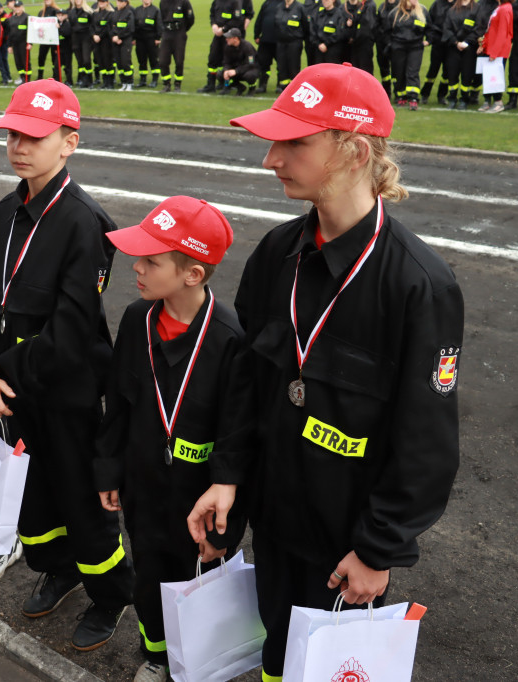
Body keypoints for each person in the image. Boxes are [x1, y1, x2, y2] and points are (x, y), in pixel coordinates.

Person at [194, 62, 462, 682]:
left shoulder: (419, 286)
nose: (270, 159)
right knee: (275, 656)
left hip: (346, 549)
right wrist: (228, 477)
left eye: (293, 142)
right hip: (274, 523)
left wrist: (377, 550)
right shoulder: (276, 253)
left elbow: (426, 445)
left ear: (355, 150)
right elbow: (245, 382)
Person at [0, 79, 133, 648]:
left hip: (65, 393)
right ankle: (58, 570)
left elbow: (71, 329)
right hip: (11, 388)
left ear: (69, 142)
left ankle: (110, 596)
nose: (18, 146)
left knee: (82, 498)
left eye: (35, 135)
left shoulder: (86, 222)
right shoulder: (5, 212)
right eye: (12, 134)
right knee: (33, 498)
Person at [95, 196, 246, 682]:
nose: (135, 268)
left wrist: (227, 529)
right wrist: (109, 467)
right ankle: (157, 653)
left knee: (196, 582)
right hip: (142, 486)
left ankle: (196, 661)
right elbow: (117, 403)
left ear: (193, 274)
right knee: (149, 579)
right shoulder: (137, 320)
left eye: (151, 261)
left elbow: (238, 437)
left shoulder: (228, 339)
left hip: (197, 500)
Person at [387, 0, 433, 109]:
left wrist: (429, 40)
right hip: (398, 47)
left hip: (415, 47)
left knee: (413, 72)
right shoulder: (394, 13)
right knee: (399, 72)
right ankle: (401, 96)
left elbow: (430, 28)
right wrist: (391, 44)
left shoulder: (422, 11)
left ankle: (413, 98)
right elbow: (387, 31)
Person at [199, 0, 250, 92]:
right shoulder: (217, 1)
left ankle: (226, 85)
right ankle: (211, 84)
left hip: (229, 36)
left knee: (227, 61)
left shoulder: (235, 2)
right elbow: (212, 14)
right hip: (218, 34)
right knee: (212, 58)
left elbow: (237, 19)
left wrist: (223, 29)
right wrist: (214, 25)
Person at [442, 0, 480, 108]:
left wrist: (467, 41)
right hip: (453, 47)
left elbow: (478, 27)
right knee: (452, 74)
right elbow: (447, 28)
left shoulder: (477, 9)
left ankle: (464, 99)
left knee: (467, 74)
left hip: (469, 48)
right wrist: (455, 42)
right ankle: (452, 98)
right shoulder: (452, 10)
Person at [477, 0, 513, 111]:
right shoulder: (500, 7)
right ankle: (487, 101)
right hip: (490, 47)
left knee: (495, 76)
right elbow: (491, 29)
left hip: (498, 50)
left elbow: (503, 32)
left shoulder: (505, 8)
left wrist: (494, 52)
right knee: (487, 75)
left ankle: (498, 102)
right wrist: (484, 45)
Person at [273, 0, 308, 91]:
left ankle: (294, 88)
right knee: (281, 66)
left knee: (293, 66)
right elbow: (275, 24)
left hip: (294, 42)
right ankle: (283, 87)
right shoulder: (279, 7)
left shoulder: (300, 7)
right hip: (281, 42)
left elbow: (306, 26)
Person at [309, 0, 353, 64]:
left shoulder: (340, 15)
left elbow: (340, 32)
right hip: (319, 50)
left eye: (327, 0)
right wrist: (318, 44)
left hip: (333, 51)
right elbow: (313, 31)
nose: (325, 1)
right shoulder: (317, 15)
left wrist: (326, 44)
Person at [252, 0, 283, 93]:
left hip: (280, 42)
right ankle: (262, 85)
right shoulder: (267, 3)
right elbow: (260, 19)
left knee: (281, 65)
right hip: (265, 41)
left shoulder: (286, 4)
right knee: (263, 64)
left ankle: (280, 85)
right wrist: (256, 34)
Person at [134, 0, 164, 87]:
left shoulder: (156, 10)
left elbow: (159, 25)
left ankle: (154, 80)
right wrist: (134, 38)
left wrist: (158, 38)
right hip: (140, 39)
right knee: (141, 60)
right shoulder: (137, 10)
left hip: (151, 39)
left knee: (153, 60)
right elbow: (134, 25)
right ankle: (142, 80)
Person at [221, 27, 260, 93]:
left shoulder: (247, 47)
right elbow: (226, 62)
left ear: (235, 38)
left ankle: (252, 89)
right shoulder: (227, 47)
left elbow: (251, 64)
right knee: (220, 74)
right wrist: (226, 70)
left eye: (229, 38)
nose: (226, 39)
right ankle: (235, 87)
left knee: (250, 76)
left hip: (249, 69)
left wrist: (236, 71)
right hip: (236, 70)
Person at [345, 0, 379, 74]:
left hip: (364, 44)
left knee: (365, 70)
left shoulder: (370, 5)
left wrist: (355, 38)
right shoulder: (363, 5)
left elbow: (367, 26)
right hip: (358, 44)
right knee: (356, 70)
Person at [111, 0, 137, 90]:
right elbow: (111, 26)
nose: (119, 3)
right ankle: (124, 82)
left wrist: (119, 36)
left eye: (121, 2)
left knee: (126, 62)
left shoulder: (129, 13)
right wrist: (114, 36)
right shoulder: (114, 13)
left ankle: (129, 82)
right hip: (115, 41)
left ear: (125, 3)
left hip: (125, 41)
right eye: (118, 1)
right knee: (119, 63)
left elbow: (130, 28)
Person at [70, 0, 95, 87]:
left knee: (86, 60)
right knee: (80, 61)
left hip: (86, 38)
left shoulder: (88, 12)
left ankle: (90, 80)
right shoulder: (71, 12)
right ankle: (83, 80)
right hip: (75, 39)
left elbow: (92, 25)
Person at [91, 0, 116, 88]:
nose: (101, 3)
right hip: (96, 40)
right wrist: (94, 35)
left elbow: (107, 27)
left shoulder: (111, 14)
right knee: (100, 60)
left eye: (103, 2)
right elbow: (92, 26)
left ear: (107, 3)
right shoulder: (95, 13)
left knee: (108, 61)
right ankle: (105, 81)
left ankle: (110, 82)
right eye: (100, 2)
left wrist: (100, 36)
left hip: (106, 41)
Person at [7, 0, 30, 83]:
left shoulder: (27, 17)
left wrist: (30, 43)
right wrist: (9, 46)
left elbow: (31, 32)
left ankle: (27, 79)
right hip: (15, 43)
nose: (17, 9)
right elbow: (9, 33)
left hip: (24, 43)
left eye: (19, 7)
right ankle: (22, 77)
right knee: (18, 61)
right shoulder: (11, 19)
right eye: (16, 7)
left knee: (25, 61)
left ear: (22, 7)